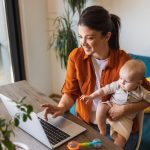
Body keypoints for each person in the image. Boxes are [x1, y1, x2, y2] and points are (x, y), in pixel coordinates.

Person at [41, 5, 150, 150]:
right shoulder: (76, 57)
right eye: (80, 37)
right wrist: (60, 107)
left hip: (116, 129)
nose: (82, 43)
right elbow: (70, 92)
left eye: (89, 38)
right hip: (84, 123)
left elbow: (147, 96)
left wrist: (124, 110)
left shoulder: (124, 62)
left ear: (107, 36)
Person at [80, 59, 150, 148]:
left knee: (121, 140)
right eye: (121, 78)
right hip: (111, 105)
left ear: (138, 83)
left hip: (126, 119)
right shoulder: (118, 84)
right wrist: (91, 96)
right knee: (101, 106)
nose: (122, 82)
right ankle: (102, 130)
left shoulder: (142, 92)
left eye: (127, 81)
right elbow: (104, 90)